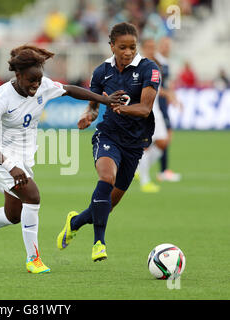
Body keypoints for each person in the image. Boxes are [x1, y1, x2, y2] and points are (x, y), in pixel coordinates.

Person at [0, 45, 124, 274]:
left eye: (38, 80)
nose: (36, 86)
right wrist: (10, 166)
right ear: (18, 76)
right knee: (33, 197)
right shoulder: (2, 96)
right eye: (30, 81)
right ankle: (32, 259)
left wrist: (102, 100)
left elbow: (70, 90)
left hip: (24, 158)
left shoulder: (42, 84)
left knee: (13, 215)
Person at [57, 22, 160, 262]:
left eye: (132, 47)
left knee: (106, 206)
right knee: (106, 178)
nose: (128, 52)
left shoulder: (149, 69)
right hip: (108, 135)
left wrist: (122, 108)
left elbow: (145, 109)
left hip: (134, 143)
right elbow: (93, 107)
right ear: (112, 46)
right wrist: (88, 116)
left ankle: (74, 222)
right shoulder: (101, 72)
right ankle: (99, 244)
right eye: (122, 47)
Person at [136, 38, 168, 193]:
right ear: (142, 48)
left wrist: (169, 94)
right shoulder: (138, 66)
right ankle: (145, 181)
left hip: (156, 110)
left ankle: (137, 168)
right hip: (144, 110)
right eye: (148, 47)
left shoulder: (155, 65)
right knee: (145, 146)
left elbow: (157, 88)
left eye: (153, 47)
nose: (151, 49)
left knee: (162, 142)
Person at [155, 36, 182, 182]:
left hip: (163, 104)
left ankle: (141, 167)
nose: (167, 47)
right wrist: (170, 96)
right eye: (164, 44)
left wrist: (174, 97)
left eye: (168, 45)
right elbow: (156, 87)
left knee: (163, 138)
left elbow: (167, 85)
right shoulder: (156, 62)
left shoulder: (166, 63)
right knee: (163, 137)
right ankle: (163, 171)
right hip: (157, 104)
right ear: (159, 45)